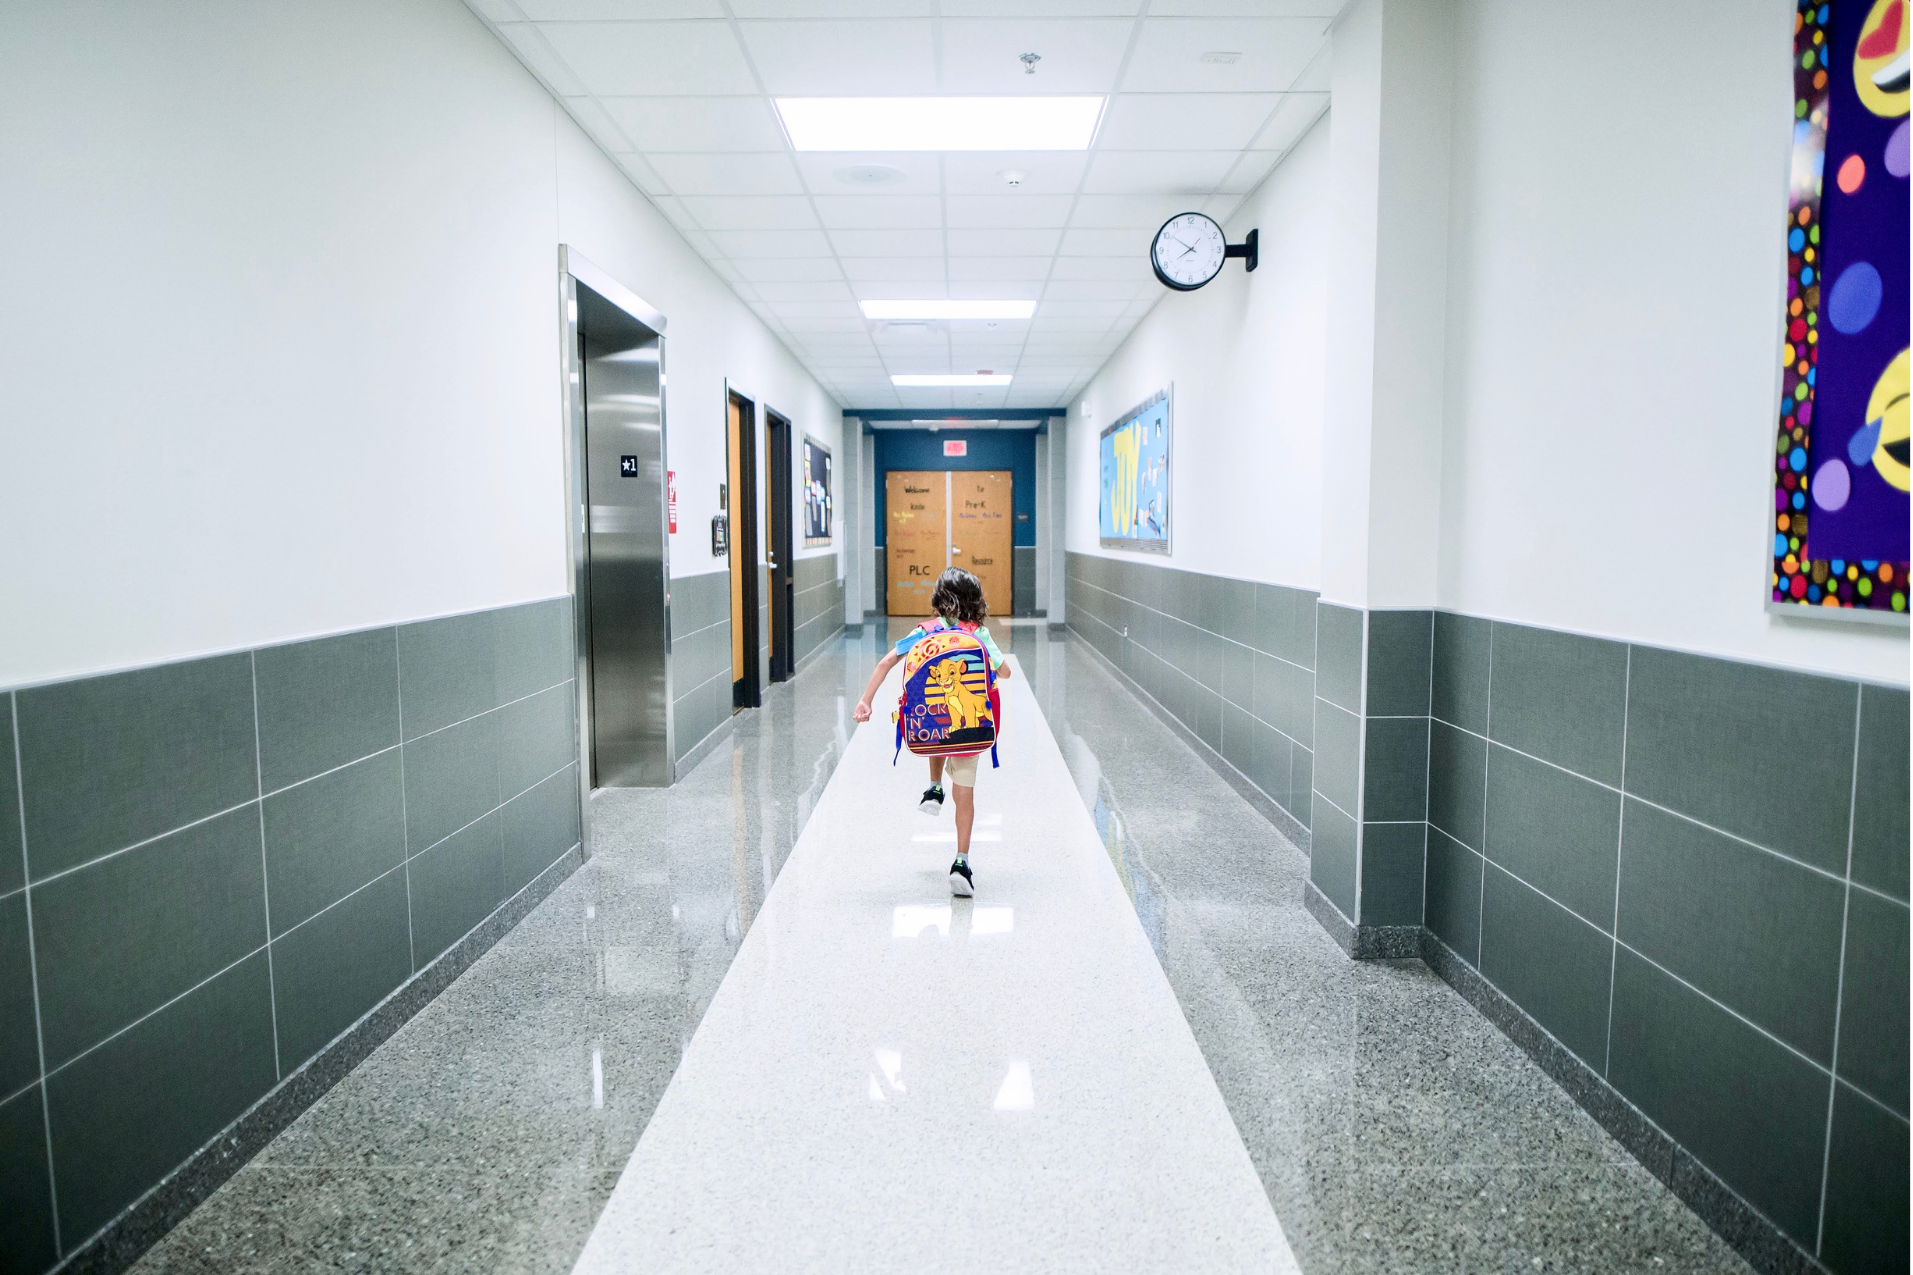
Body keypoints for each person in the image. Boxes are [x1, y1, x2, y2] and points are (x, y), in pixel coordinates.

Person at [852, 568, 1010, 896]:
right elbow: (1004, 673)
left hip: (930, 725)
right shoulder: (978, 632)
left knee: (935, 727)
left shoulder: (924, 631)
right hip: (971, 727)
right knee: (965, 792)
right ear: (975, 601)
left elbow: (885, 663)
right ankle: (961, 862)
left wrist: (865, 702)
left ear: (938, 600)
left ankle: (934, 787)